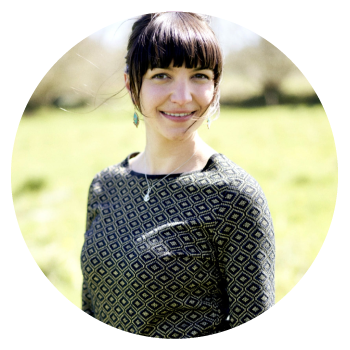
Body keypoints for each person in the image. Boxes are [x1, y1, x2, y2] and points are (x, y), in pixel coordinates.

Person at [81, 12, 275, 338]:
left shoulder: (235, 196)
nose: (183, 97)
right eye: (161, 75)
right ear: (132, 85)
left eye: (199, 75)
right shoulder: (104, 186)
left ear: (215, 87)